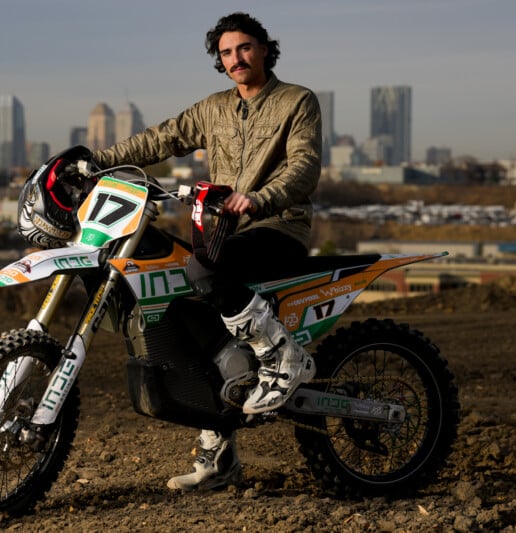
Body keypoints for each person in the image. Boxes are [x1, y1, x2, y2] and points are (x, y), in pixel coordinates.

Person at [91, 12, 322, 491]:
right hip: (229, 235)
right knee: (180, 311)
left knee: (203, 266)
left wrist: (259, 199)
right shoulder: (214, 108)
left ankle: (283, 356)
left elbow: (303, 166)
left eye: (244, 48)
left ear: (263, 48)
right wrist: (94, 161)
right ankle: (220, 457)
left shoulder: (297, 101)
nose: (236, 59)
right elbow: (162, 137)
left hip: (279, 226)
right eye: (226, 53)